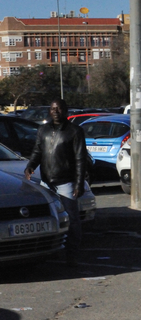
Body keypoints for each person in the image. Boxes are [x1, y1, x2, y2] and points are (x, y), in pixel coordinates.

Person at [25, 98, 87, 266]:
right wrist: (30, 166)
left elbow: (81, 159)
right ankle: (49, 251)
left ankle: (71, 253)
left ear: (65, 111)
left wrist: (79, 183)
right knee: (51, 218)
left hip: (66, 183)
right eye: (53, 109)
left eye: (59, 109)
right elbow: (37, 151)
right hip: (46, 183)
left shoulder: (75, 131)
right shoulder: (43, 130)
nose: (55, 111)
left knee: (72, 218)